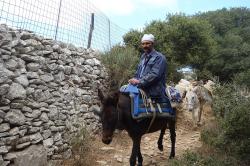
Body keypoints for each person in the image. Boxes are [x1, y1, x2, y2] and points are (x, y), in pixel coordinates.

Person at [128, 34, 172, 110]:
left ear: (153, 44)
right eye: (143, 44)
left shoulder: (159, 57)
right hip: (141, 87)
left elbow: (155, 75)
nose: (145, 46)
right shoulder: (143, 57)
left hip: (153, 90)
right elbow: (139, 72)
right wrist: (133, 79)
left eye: (148, 43)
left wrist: (138, 82)